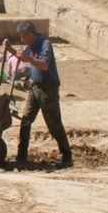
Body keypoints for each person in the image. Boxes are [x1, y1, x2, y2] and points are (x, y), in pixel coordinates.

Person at [10, 21, 73, 168]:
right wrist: (10, 49)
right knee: (25, 120)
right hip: (35, 87)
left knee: (54, 124)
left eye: (23, 37)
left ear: (30, 35)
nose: (22, 40)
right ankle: (21, 156)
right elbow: (22, 56)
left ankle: (67, 156)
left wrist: (30, 59)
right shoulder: (30, 44)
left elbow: (44, 65)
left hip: (48, 90)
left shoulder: (45, 44)